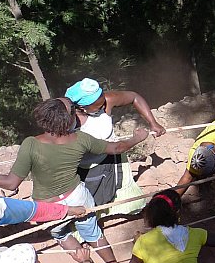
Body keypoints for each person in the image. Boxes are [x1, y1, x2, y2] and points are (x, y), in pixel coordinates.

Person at [0, 99, 149, 263]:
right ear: (68, 120)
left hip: (47, 207)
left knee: (61, 233)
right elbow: (116, 148)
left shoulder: (31, 144)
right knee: (93, 233)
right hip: (77, 197)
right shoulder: (81, 139)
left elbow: (11, 183)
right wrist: (137, 138)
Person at [64, 77, 163, 213]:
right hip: (87, 168)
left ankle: (127, 212)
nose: (103, 106)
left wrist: (153, 122)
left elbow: (134, 97)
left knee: (121, 190)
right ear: (82, 107)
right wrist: (137, 139)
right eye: (98, 106)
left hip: (115, 161)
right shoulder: (66, 120)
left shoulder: (106, 101)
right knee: (91, 205)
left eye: (103, 101)